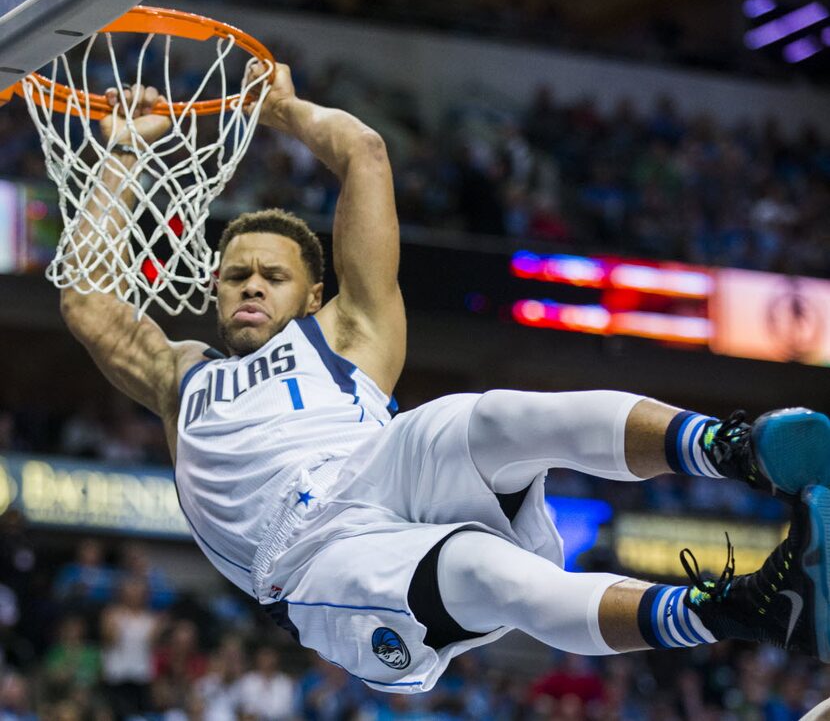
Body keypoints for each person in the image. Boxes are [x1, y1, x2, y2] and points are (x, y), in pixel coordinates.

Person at [58, 60, 830, 694]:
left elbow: (364, 151)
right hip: (313, 563)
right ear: (214, 289)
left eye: (272, 275)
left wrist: (285, 111)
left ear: (314, 296)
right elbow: (87, 300)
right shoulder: (183, 376)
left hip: (379, 467)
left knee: (485, 417)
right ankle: (754, 609)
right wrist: (125, 149)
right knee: (489, 570)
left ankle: (739, 448)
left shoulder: (348, 335)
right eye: (235, 275)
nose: (252, 285)